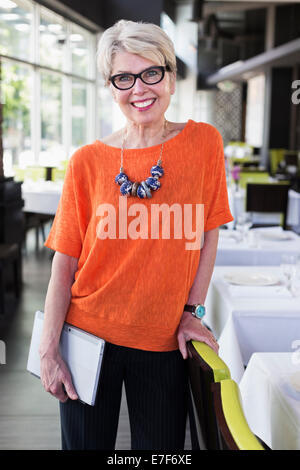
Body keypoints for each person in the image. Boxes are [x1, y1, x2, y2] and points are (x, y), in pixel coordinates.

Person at [39, 19, 233, 451]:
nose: (139, 88)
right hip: (86, 335)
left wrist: (192, 311)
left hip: (163, 340)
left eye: (151, 73)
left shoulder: (204, 143)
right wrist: (49, 350)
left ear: (172, 78)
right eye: (124, 77)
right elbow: (65, 262)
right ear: (110, 86)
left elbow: (208, 233)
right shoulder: (87, 161)